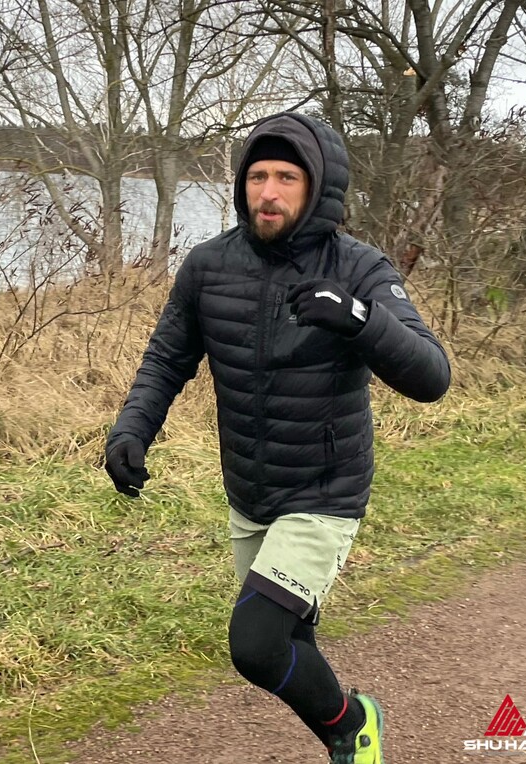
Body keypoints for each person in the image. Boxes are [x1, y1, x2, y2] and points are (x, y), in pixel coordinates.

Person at [105, 111, 451, 764]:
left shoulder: (359, 268)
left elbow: (432, 376)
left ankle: (353, 726)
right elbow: (166, 359)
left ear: (317, 187)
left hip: (324, 492)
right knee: (292, 641)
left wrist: (359, 319)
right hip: (249, 491)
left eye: (286, 177)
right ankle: (349, 743)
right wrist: (132, 430)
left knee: (257, 645)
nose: (267, 192)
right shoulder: (208, 266)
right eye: (256, 176)